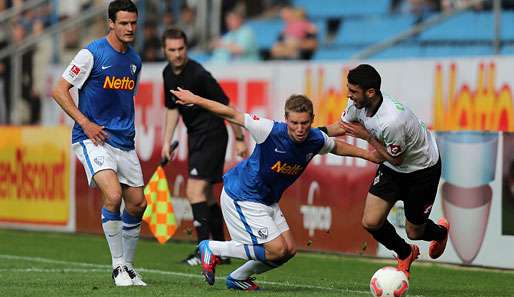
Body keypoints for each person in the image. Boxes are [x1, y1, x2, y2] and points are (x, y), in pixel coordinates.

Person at [170, 87, 382, 290]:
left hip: (267, 200)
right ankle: (212, 248)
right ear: (286, 119)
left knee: (288, 251)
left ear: (312, 119)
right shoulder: (269, 130)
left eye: (305, 123)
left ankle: (238, 278)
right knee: (276, 250)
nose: (300, 129)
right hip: (243, 195)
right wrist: (195, 99)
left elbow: (337, 147)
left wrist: (369, 155)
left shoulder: (315, 139)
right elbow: (230, 113)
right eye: (294, 123)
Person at [322, 64, 450, 279]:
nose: (349, 95)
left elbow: (397, 159)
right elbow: (342, 127)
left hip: (421, 169)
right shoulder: (357, 104)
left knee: (414, 231)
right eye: (349, 89)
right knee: (371, 221)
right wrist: (312, 135)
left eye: (353, 91)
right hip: (393, 168)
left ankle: (440, 232)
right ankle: (405, 252)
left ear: (370, 92)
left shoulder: (392, 121)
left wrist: (367, 137)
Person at [51, 0, 146, 286]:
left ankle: (128, 267)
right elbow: (59, 90)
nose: (130, 28)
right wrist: (85, 122)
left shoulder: (134, 61)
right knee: (113, 196)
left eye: (133, 23)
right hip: (94, 138)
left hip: (124, 141)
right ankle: (117, 266)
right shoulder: (91, 54)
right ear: (111, 23)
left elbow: (126, 100)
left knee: (138, 204)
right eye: (124, 23)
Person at [161, 28, 249, 266]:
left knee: (194, 192)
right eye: (172, 50)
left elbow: (227, 105)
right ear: (165, 50)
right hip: (195, 137)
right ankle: (221, 250)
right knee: (206, 194)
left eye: (181, 49)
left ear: (186, 48)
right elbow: (172, 109)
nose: (177, 54)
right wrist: (166, 141)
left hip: (212, 135)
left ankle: (205, 252)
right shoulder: (167, 73)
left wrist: (239, 137)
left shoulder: (199, 74)